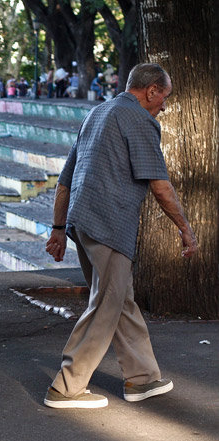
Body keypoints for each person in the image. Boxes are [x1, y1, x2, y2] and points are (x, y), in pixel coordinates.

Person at [43, 63, 198, 409]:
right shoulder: (140, 120)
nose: (165, 105)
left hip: (83, 224)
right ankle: (66, 387)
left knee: (119, 299)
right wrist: (184, 228)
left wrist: (58, 229)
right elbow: (160, 186)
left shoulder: (96, 114)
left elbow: (64, 181)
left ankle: (141, 379)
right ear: (152, 90)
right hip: (109, 225)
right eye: (164, 97)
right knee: (106, 304)